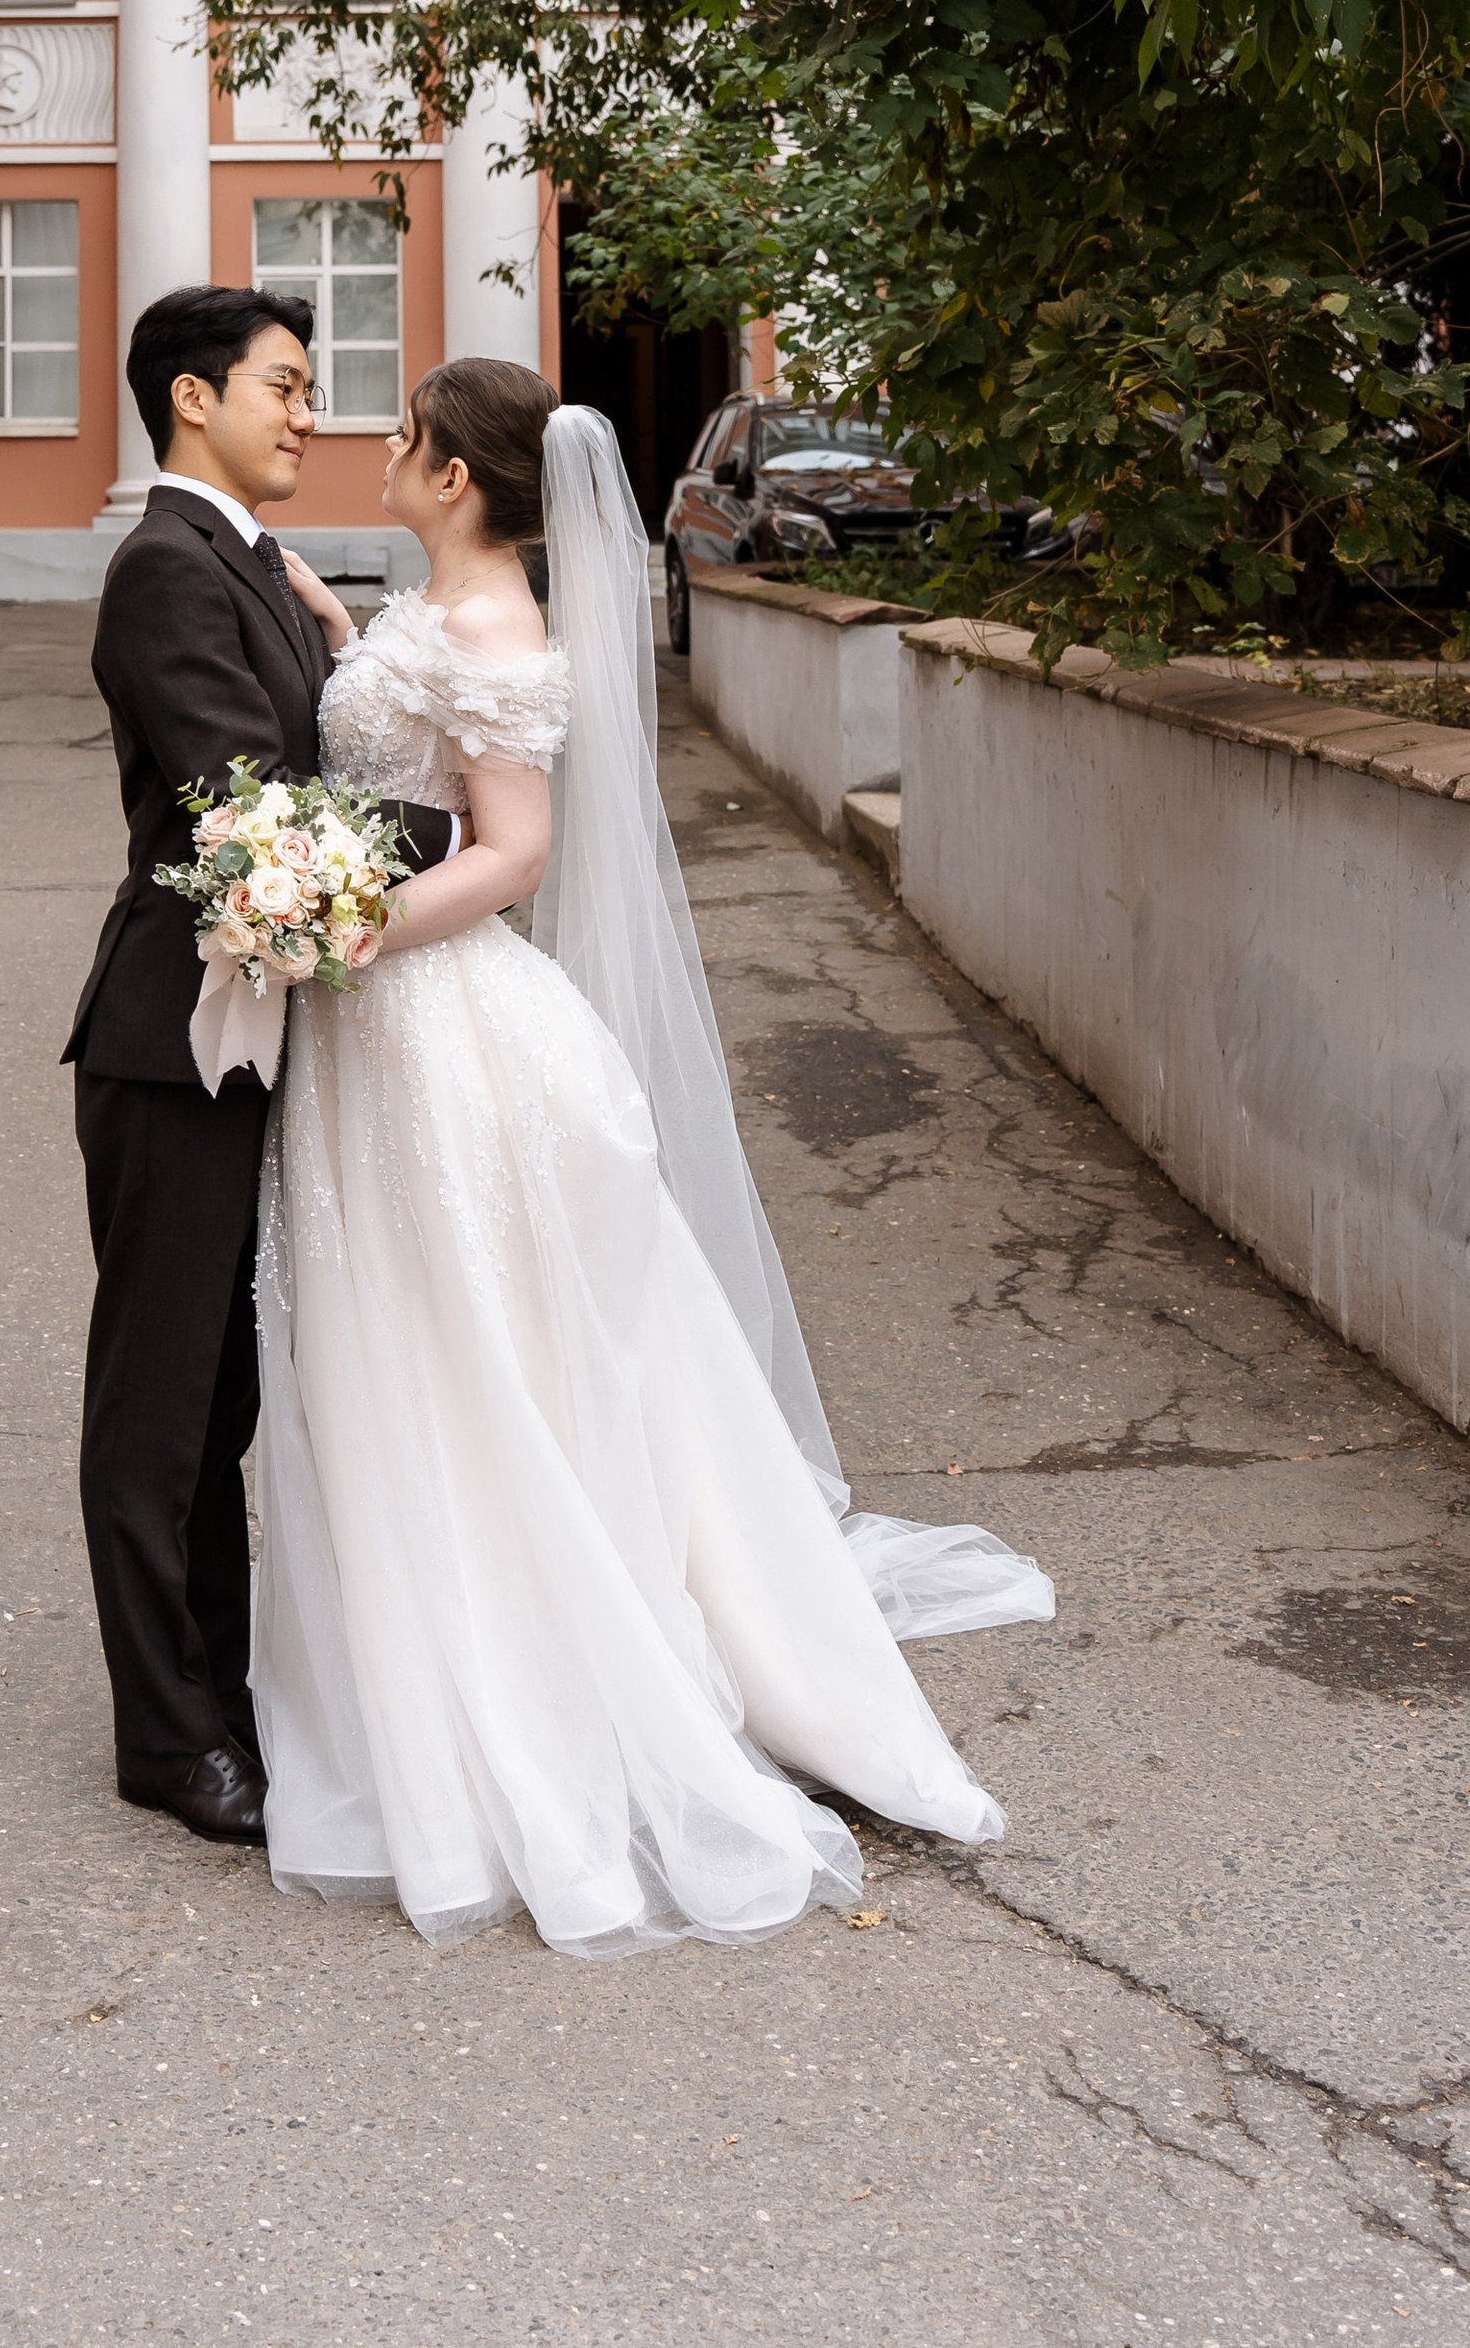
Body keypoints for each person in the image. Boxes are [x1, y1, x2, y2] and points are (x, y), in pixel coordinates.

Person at [252, 359, 1055, 1958]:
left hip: (432, 1025)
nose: (382, 453)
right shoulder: (431, 608)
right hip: (379, 1033)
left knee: (477, 1346)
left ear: (459, 478)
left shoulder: (491, 629)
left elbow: (515, 849)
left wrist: (336, 931)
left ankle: (545, 1651)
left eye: (407, 440)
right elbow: (399, 726)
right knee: (416, 1340)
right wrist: (347, 638)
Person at [64, 287, 458, 1846]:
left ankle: (219, 1697)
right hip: (172, 1044)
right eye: (284, 387)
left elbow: (303, 762)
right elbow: (257, 814)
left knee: (223, 1395)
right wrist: (475, 844)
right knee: (157, 1412)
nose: (310, 413)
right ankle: (165, 1741)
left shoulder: (250, 567)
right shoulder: (165, 570)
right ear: (189, 399)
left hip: (252, 1029)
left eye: (311, 387)